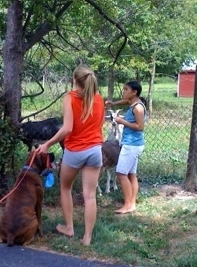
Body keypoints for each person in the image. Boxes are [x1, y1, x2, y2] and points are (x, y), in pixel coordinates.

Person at [36, 65, 104, 246]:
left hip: (75, 151)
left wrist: (47, 144)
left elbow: (67, 128)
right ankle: (87, 238)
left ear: (74, 80)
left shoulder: (70, 98)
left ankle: (69, 228)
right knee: (90, 195)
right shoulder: (99, 99)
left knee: (65, 187)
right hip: (95, 150)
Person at [106, 81, 146, 214]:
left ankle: (127, 205)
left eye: (126, 89)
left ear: (134, 92)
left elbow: (140, 127)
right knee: (131, 174)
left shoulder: (137, 108)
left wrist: (121, 121)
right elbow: (125, 101)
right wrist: (113, 104)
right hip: (133, 144)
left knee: (121, 173)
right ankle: (132, 204)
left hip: (131, 145)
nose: (123, 91)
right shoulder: (133, 103)